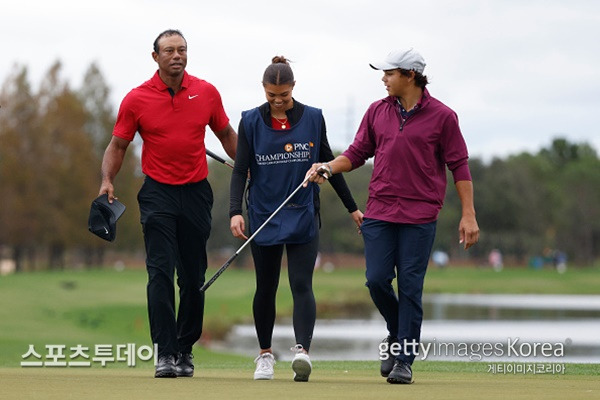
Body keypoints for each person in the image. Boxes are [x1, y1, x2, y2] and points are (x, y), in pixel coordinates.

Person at [306, 48, 480, 384]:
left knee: (411, 287)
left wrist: (468, 215)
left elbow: (459, 166)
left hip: (420, 216)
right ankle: (397, 332)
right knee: (376, 279)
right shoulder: (376, 111)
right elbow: (357, 153)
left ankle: (404, 360)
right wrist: (328, 166)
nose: (383, 79)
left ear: (410, 75)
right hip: (380, 211)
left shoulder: (444, 117)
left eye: (389, 73)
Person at [98, 29, 237, 378]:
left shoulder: (206, 93)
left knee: (192, 277)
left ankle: (185, 349)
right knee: (159, 272)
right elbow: (118, 146)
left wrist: (250, 168)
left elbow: (226, 136)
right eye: (169, 50)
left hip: (195, 193)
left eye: (182, 50)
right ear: (155, 56)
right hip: (157, 192)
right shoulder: (136, 99)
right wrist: (107, 180)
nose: (177, 55)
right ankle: (164, 352)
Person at [229, 56, 363, 382]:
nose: (278, 101)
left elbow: (330, 165)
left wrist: (353, 208)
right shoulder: (249, 122)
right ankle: (264, 355)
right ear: (263, 89)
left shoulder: (314, 119)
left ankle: (302, 352)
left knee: (302, 284)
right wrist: (234, 211)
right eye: (272, 95)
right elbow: (239, 170)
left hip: (302, 213)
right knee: (266, 287)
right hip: (263, 215)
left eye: (284, 95)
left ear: (293, 88)